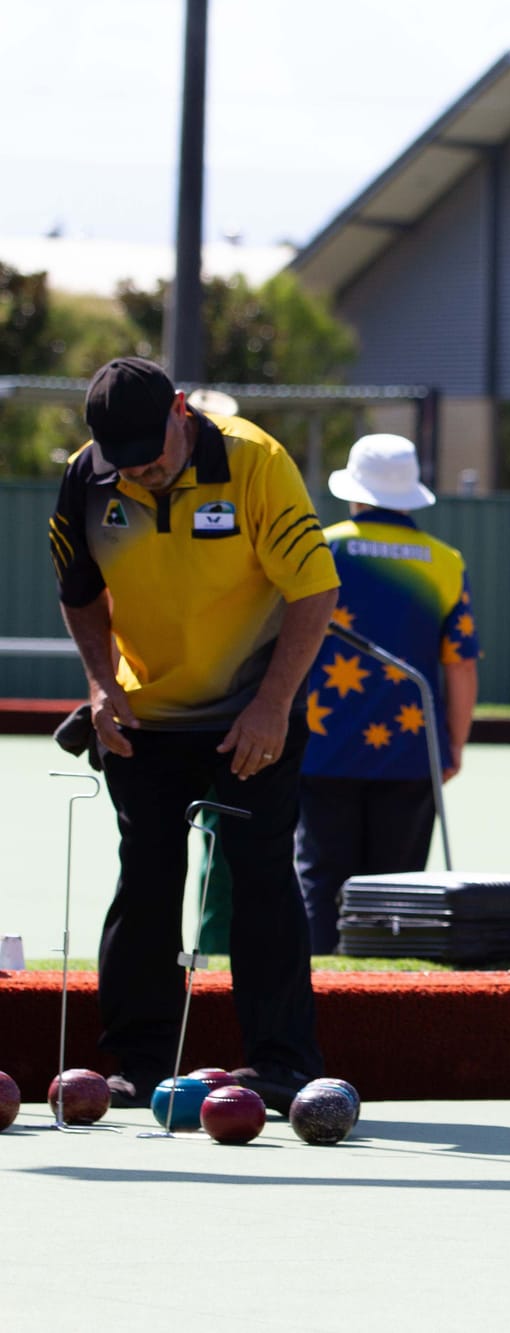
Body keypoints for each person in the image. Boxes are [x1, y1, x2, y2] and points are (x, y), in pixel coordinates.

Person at [48, 357, 337, 1111]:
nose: (141, 472)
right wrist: (102, 687)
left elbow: (314, 590)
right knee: (144, 878)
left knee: (261, 879)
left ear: (182, 410)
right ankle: (137, 1062)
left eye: (153, 455)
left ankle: (282, 1063)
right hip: (146, 719)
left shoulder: (255, 462)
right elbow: (79, 590)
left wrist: (274, 703)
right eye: (127, 462)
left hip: (250, 711)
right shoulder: (89, 477)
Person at [295, 434, 480, 954]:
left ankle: (318, 998)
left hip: (322, 745)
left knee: (320, 881)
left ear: (354, 491)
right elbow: (460, 664)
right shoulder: (444, 562)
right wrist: (455, 744)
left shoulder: (322, 548)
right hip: (411, 750)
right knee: (398, 890)